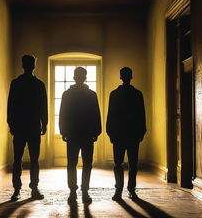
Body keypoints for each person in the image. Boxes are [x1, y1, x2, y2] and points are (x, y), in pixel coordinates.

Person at [7, 55, 48, 201]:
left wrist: (11, 123)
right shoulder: (39, 84)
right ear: (34, 65)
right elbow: (43, 106)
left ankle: (17, 190)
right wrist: (45, 123)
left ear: (22, 65)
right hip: (32, 125)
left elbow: (10, 105)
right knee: (33, 159)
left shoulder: (16, 83)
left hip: (20, 125)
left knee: (17, 159)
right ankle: (33, 188)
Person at [59, 67, 101, 203]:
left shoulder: (67, 94)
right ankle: (84, 191)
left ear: (74, 77)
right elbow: (96, 115)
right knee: (87, 163)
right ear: (85, 78)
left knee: (72, 163)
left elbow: (62, 114)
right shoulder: (91, 94)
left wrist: (63, 131)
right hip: (87, 134)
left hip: (72, 133)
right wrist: (96, 132)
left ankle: (73, 191)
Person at [106, 67, 146, 201]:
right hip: (133, 133)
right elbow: (142, 115)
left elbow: (110, 115)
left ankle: (118, 190)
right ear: (131, 77)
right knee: (133, 163)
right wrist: (142, 131)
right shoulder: (137, 94)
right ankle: (131, 190)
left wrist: (110, 131)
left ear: (120, 77)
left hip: (119, 133)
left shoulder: (114, 94)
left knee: (118, 163)